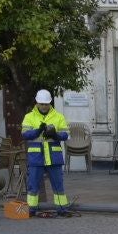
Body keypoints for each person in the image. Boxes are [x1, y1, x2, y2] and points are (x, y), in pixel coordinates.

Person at [21, 89, 72, 217]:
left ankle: (62, 209)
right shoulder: (29, 117)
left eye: (46, 104)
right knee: (33, 185)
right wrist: (37, 131)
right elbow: (25, 134)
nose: (44, 106)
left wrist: (55, 134)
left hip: (53, 157)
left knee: (58, 186)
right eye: (41, 104)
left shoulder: (59, 116)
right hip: (36, 157)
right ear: (37, 103)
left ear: (50, 103)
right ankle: (31, 210)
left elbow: (66, 135)